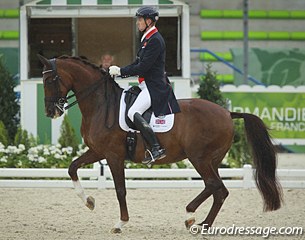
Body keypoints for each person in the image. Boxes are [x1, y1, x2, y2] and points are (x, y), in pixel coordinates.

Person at [109, 6, 180, 165]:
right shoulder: (147, 38)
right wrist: (120, 72)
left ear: (149, 21)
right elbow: (137, 63)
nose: (137, 23)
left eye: (140, 20)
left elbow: (143, 67)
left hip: (154, 87)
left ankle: (156, 148)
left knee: (133, 112)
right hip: (145, 85)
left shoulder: (155, 39)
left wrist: (121, 71)